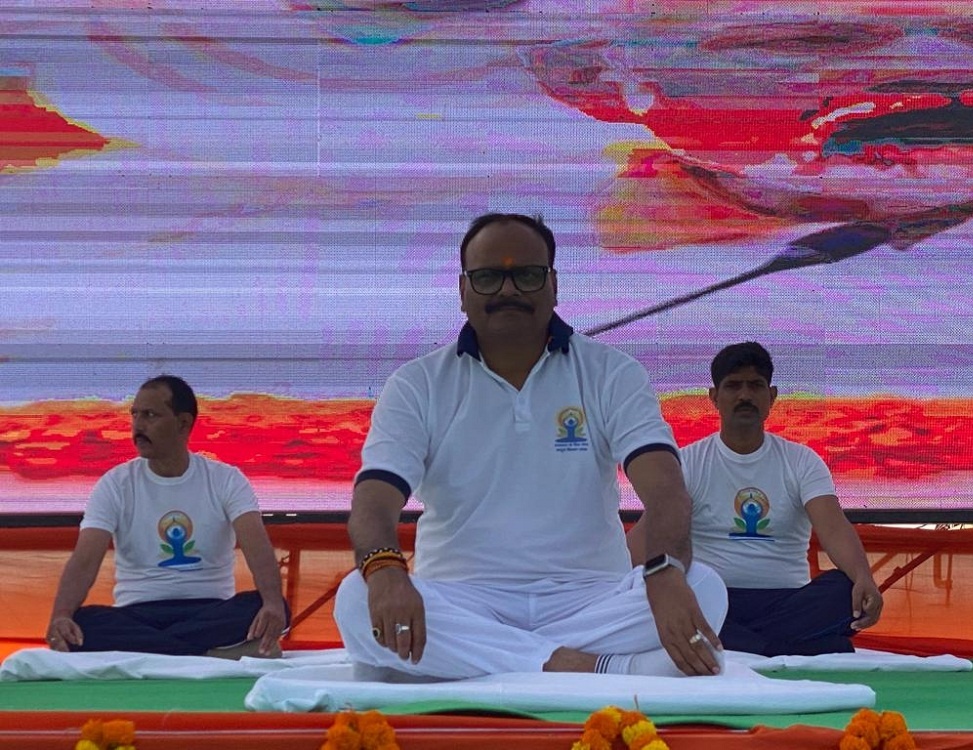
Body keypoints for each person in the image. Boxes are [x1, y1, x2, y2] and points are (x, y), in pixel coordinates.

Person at [333, 212, 728, 682]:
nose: (507, 290)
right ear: (463, 292)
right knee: (357, 598)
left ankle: (489, 661)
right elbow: (373, 501)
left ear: (553, 285)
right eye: (488, 277)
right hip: (462, 599)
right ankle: (589, 668)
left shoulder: (611, 373)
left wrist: (663, 570)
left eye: (526, 274)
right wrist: (386, 571)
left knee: (704, 586)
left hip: (589, 601)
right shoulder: (417, 384)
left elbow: (666, 491)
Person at [632, 342, 882, 656]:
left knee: (845, 589)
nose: (745, 396)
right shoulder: (687, 462)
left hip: (789, 601)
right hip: (713, 599)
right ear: (714, 398)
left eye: (755, 386)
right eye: (733, 386)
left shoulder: (802, 461)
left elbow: (833, 528)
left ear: (771, 397)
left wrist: (864, 577)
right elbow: (648, 535)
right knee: (654, 593)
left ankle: (747, 646)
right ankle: (788, 646)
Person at [45, 375, 289, 658]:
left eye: (150, 415)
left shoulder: (226, 480)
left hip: (210, 610)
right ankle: (208, 654)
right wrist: (61, 615)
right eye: (135, 415)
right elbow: (85, 559)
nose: (138, 425)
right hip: (137, 614)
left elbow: (257, 546)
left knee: (273, 606)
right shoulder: (115, 484)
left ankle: (151, 651)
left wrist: (271, 603)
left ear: (183, 423)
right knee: (81, 623)